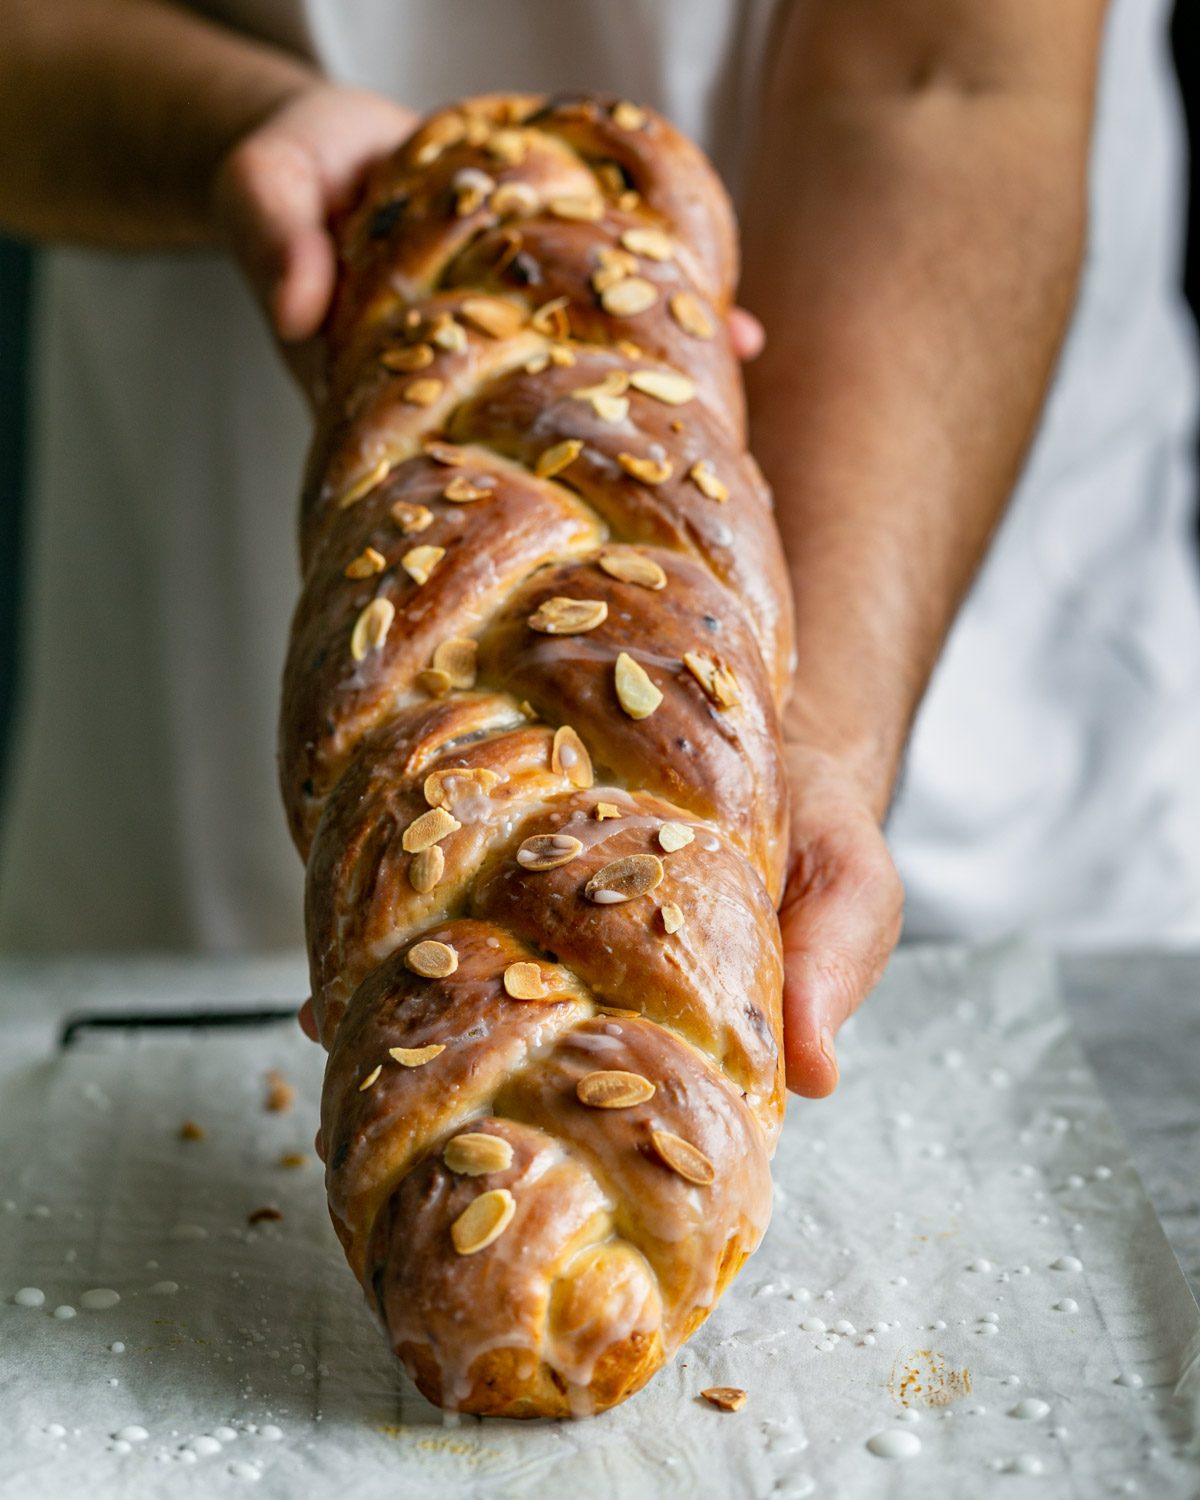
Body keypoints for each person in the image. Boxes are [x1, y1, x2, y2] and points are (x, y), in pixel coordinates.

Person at [1, 0, 1197, 1099]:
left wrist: (807, 731)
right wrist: (235, 128)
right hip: (225, 498)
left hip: (915, 515)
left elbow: (946, 83)